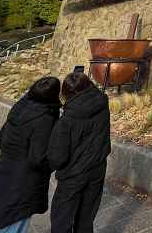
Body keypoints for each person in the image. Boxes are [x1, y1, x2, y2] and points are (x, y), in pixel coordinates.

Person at [0, 76, 61, 233]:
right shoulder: (45, 118)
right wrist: (56, 161)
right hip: (24, 181)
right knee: (15, 220)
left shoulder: (18, 108)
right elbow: (38, 158)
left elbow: (1, 140)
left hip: (3, 171)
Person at [48, 72, 111, 233]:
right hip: (97, 168)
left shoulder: (66, 121)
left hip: (73, 174)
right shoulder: (102, 103)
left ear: (67, 93)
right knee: (86, 217)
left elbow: (57, 159)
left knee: (61, 220)